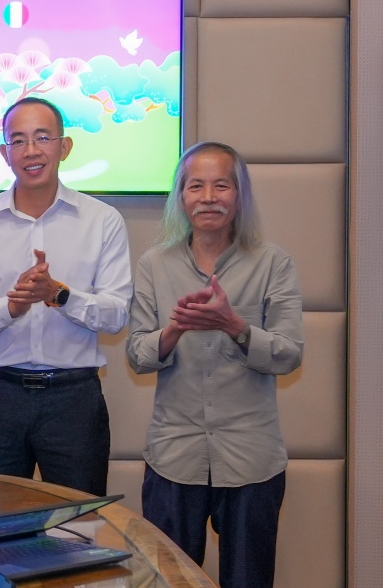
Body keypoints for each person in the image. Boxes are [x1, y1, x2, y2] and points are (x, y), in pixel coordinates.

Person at [126, 142, 302, 588]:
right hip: (173, 456)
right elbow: (137, 355)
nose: (208, 197)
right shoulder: (154, 264)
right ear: (180, 196)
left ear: (239, 195)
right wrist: (175, 329)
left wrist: (234, 326)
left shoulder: (273, 263)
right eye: (195, 186)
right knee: (169, 582)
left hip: (251, 458)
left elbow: (289, 353)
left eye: (221, 186)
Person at [0, 97, 130, 496]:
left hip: (74, 399)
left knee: (79, 520)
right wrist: (11, 307)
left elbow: (116, 315)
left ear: (64, 147)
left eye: (42, 138)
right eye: (18, 140)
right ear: (4, 153)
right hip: (0, 393)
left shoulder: (103, 221)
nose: (31, 150)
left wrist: (59, 295)